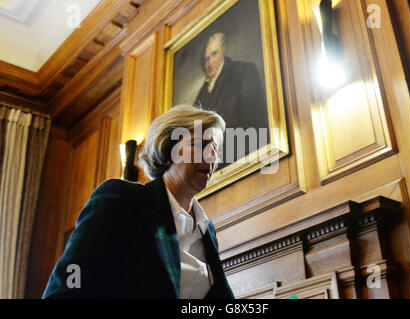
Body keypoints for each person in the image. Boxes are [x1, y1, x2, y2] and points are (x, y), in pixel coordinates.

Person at [42, 105, 235, 299]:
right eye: (201, 145)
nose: (211, 156)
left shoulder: (207, 230)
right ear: (168, 148)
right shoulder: (123, 200)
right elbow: (68, 285)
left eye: (215, 149)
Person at [195, 33, 269, 168]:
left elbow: (256, 122)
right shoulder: (202, 94)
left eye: (214, 54)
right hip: (216, 167)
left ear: (223, 50)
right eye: (206, 59)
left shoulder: (244, 71)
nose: (209, 63)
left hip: (248, 160)